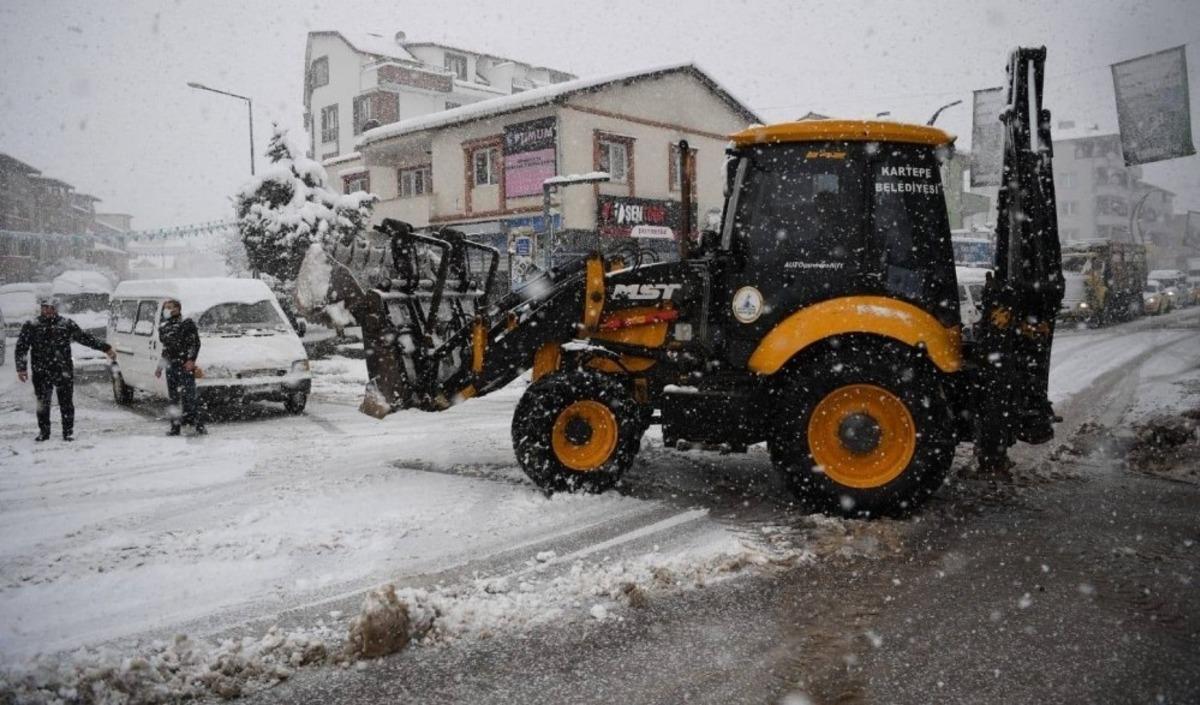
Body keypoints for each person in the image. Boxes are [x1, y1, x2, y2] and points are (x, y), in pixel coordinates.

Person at [14, 296, 116, 442]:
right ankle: (44, 432)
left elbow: (85, 338)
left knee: (66, 403)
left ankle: (68, 432)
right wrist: (21, 368)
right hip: (40, 370)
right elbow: (21, 347)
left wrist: (105, 348)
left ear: (56, 309)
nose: (48, 311)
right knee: (42, 403)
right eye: (45, 308)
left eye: (51, 308)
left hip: (63, 370)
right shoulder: (32, 325)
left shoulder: (65, 324)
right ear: (41, 308)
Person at [155, 298, 206, 436]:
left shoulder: (186, 324)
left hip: (184, 366)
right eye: (166, 307)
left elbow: (195, 344)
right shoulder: (164, 327)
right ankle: (175, 427)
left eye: (170, 307)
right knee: (173, 398)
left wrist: (191, 360)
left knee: (190, 397)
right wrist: (160, 367)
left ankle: (199, 425)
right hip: (171, 367)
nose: (167, 310)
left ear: (178, 309)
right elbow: (166, 349)